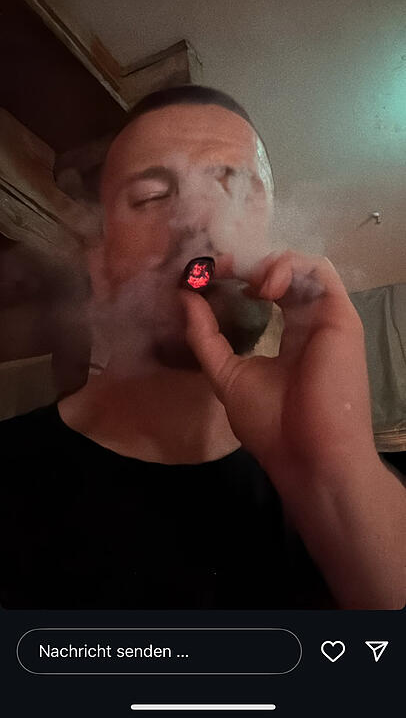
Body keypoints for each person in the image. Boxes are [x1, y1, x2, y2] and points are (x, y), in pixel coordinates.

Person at [0, 85, 405, 609]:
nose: (198, 219)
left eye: (234, 188)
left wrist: (334, 475)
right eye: (151, 197)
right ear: (99, 265)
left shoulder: (360, 483)